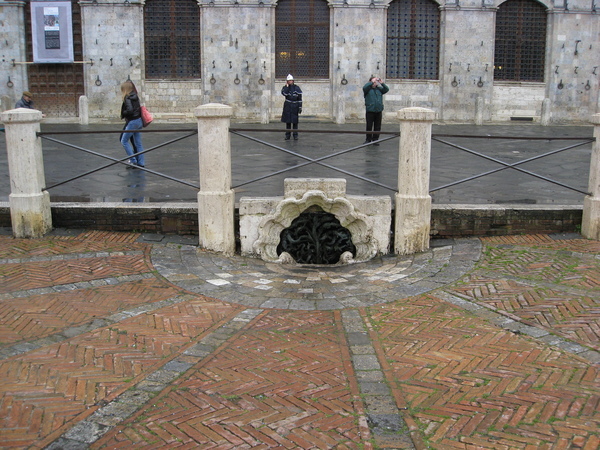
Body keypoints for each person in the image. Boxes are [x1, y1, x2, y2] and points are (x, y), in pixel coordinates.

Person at [119, 80, 145, 168]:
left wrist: (123, 113)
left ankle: (133, 160)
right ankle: (141, 162)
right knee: (138, 143)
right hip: (139, 120)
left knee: (124, 141)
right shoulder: (135, 96)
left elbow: (130, 110)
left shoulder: (127, 97)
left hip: (132, 121)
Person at [362, 76, 389, 146]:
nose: (375, 83)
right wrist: (371, 82)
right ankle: (368, 139)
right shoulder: (367, 90)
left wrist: (382, 83)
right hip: (370, 110)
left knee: (377, 126)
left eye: (375, 82)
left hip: (378, 110)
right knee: (369, 126)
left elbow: (386, 89)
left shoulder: (379, 89)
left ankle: (375, 140)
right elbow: (364, 87)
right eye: (374, 82)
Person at [281, 74, 302, 140]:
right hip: (288, 106)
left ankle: (295, 135)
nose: (290, 82)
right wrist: (287, 87)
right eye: (289, 81)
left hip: (295, 106)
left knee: (295, 122)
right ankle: (288, 135)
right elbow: (285, 94)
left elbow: (299, 98)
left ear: (293, 81)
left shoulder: (297, 88)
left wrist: (300, 107)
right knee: (288, 122)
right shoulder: (285, 88)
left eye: (291, 80)